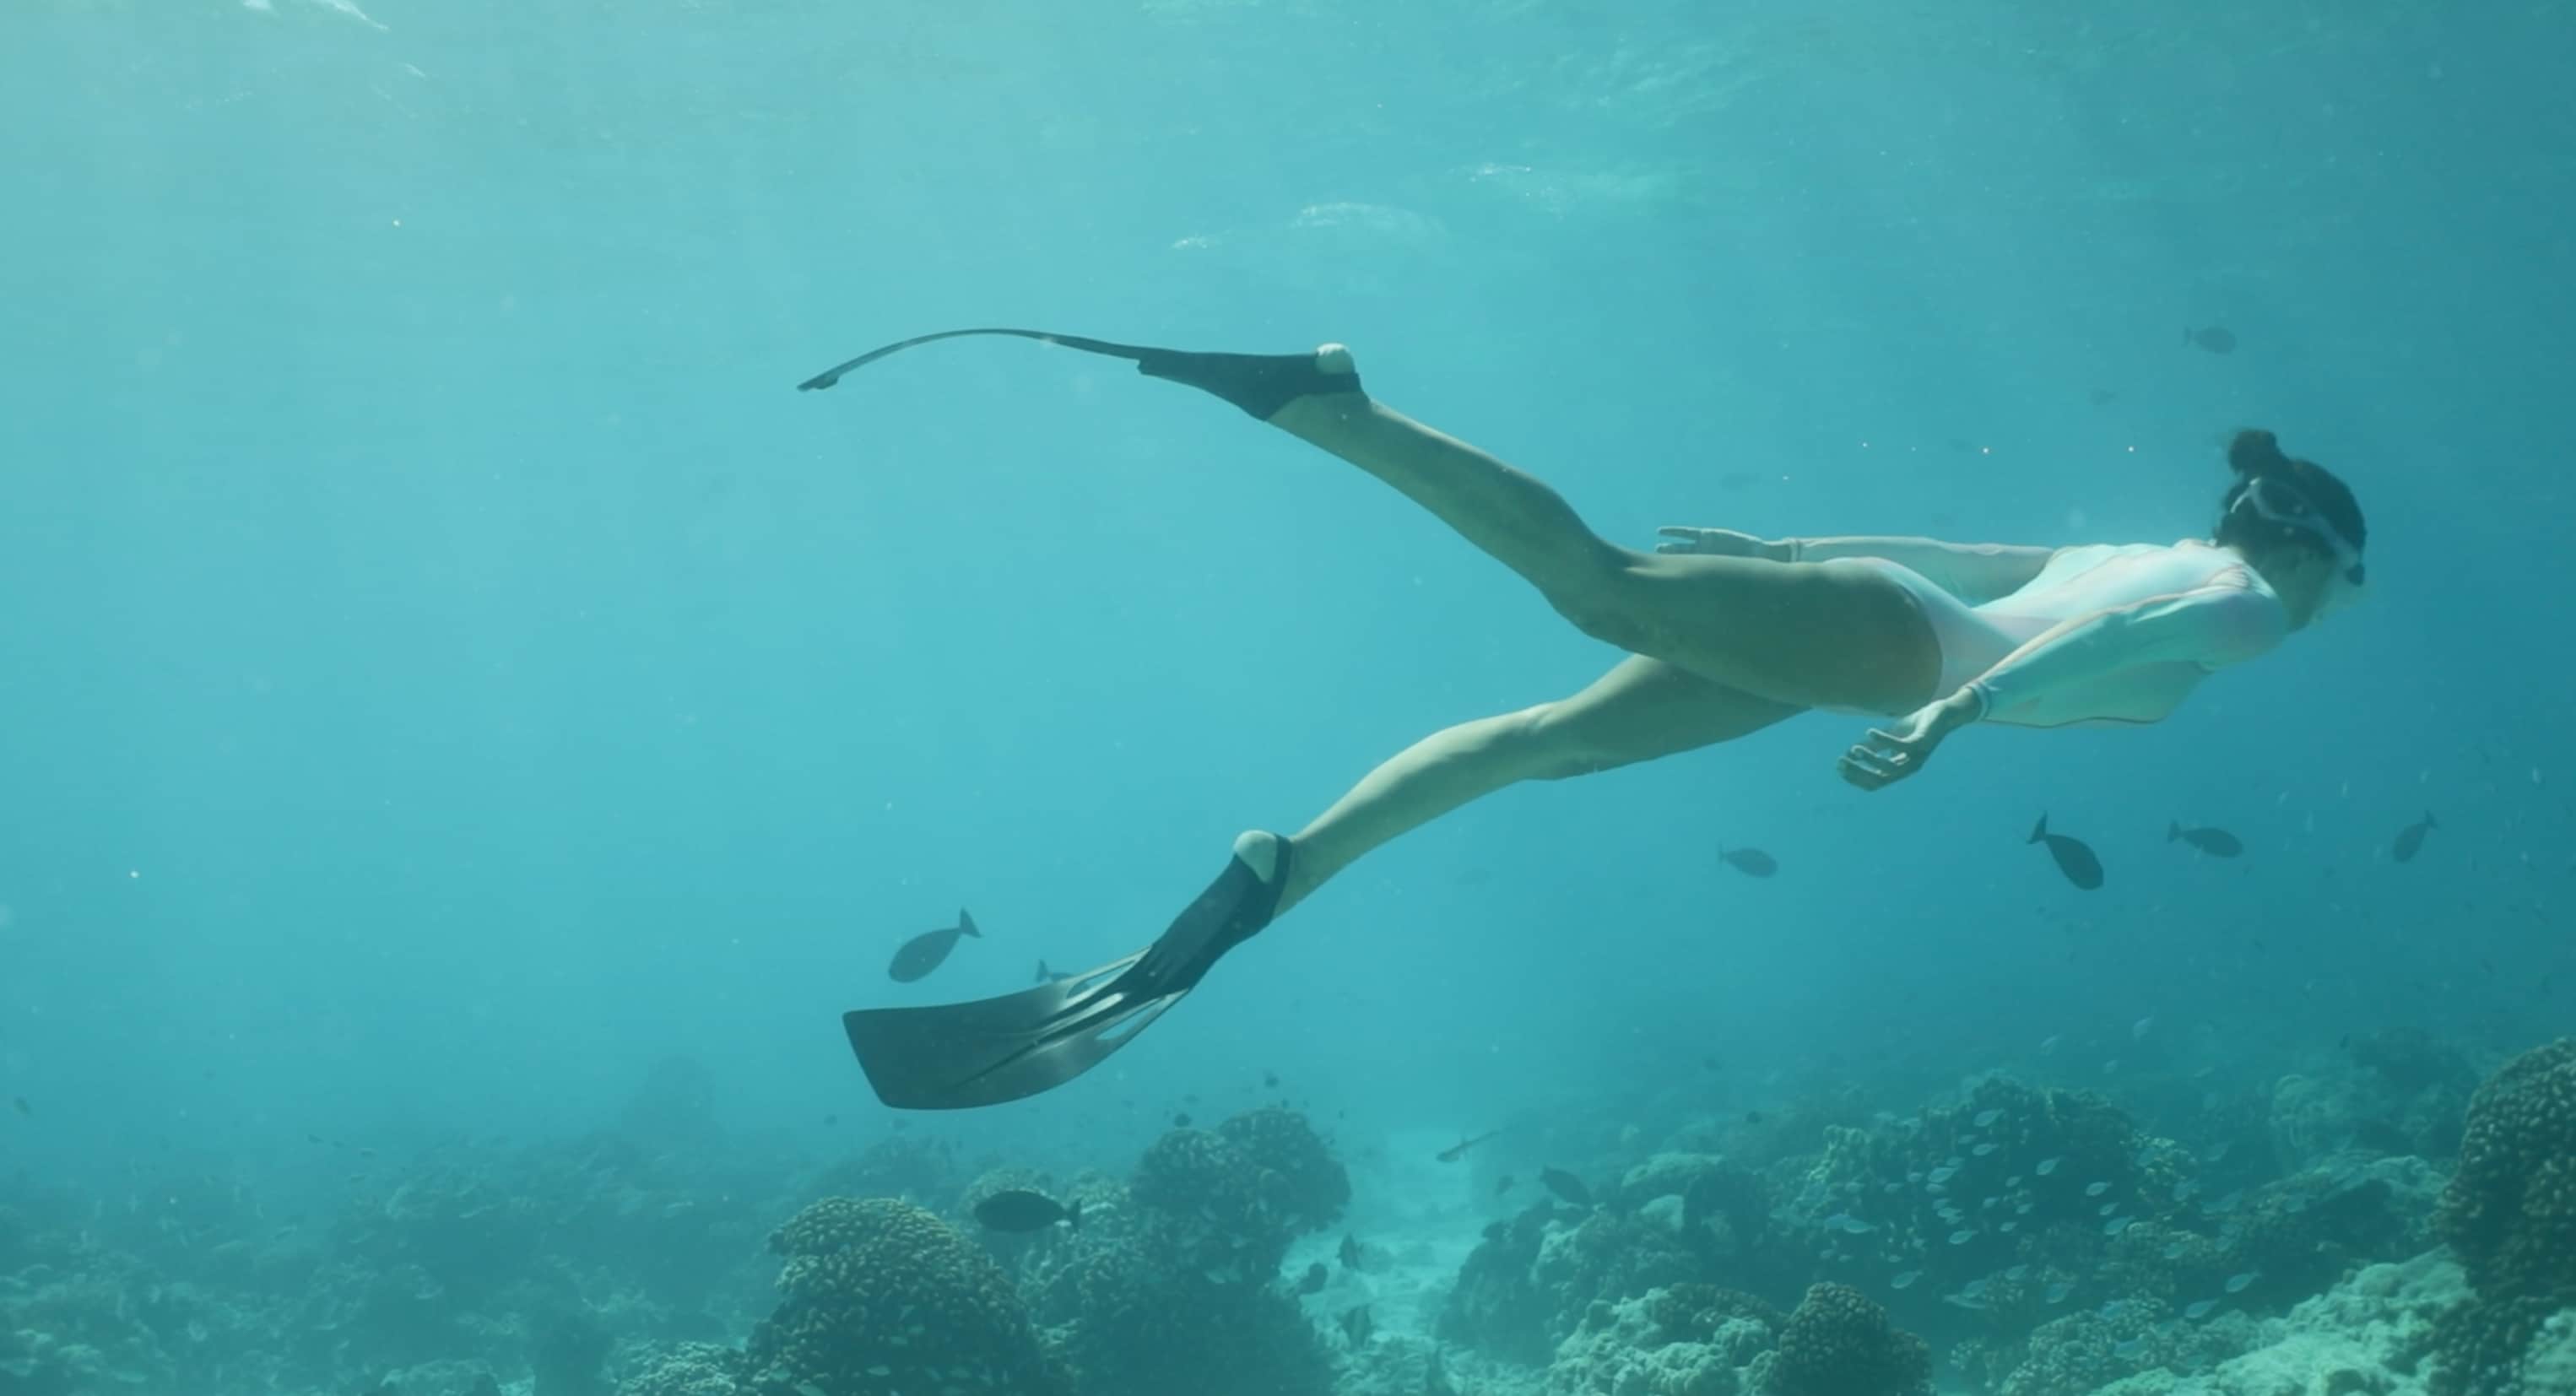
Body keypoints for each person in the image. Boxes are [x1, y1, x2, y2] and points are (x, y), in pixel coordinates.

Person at [809, 330, 2368, 1108]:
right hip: (1900, 647)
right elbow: (2089, 635)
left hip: (1874, 625)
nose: (2344, 604)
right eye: (2351, 580)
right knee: (1604, 588)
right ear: (2324, 554)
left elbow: (1997, 558)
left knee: (1550, 736)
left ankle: (1282, 871)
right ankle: (1333, 403)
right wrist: (1957, 715)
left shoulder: (2177, 545)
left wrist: (1787, 551)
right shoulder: (2242, 605)